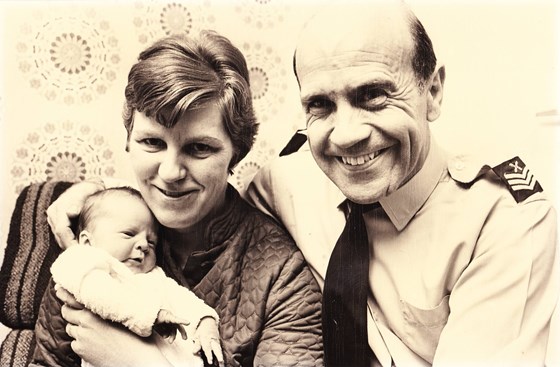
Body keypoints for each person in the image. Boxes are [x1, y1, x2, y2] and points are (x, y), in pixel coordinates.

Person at [245, 1, 559, 367]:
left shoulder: (503, 221)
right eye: (320, 105)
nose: (346, 135)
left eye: (373, 95)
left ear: (433, 92)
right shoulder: (283, 184)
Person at [45, 30, 323, 367]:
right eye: (152, 143)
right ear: (129, 141)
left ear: (235, 153)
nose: (170, 172)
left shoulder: (282, 277)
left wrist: (141, 362)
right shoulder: (99, 231)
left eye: (199, 148)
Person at [32, 187, 223, 367]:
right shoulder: (81, 263)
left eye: (151, 241)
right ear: (87, 242)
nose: (143, 245)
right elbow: (100, 295)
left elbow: (183, 299)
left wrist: (205, 321)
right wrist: (150, 315)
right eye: (128, 234)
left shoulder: (154, 277)